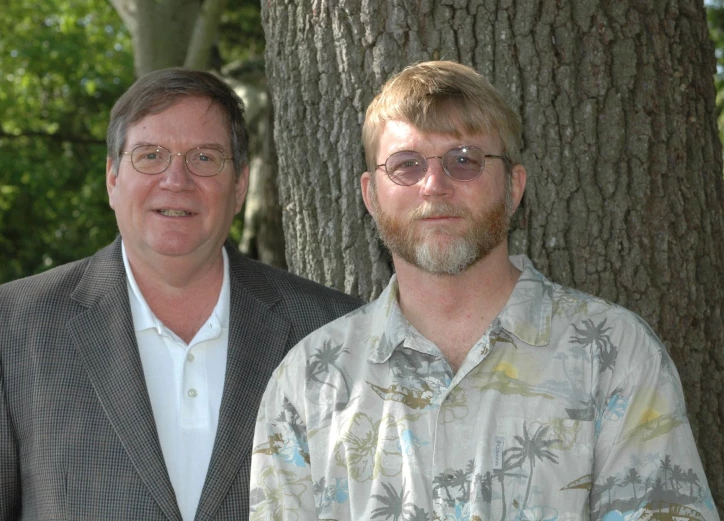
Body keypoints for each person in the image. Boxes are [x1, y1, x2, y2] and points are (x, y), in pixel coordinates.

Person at [249, 61, 719, 521]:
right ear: (371, 195)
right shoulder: (310, 382)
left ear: (513, 188)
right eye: (406, 165)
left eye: (464, 160)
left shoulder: (614, 354)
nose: (435, 186)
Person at [0, 68, 362, 521]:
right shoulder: (5, 330)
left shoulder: (332, 331)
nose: (175, 179)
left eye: (204, 158)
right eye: (150, 156)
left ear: (239, 186)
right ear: (112, 179)